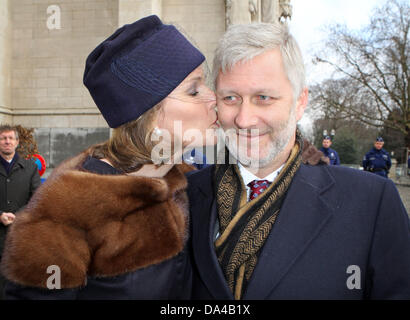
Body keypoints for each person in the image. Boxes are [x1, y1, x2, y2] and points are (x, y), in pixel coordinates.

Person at [0, 15, 219, 299]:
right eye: (194, 89)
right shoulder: (66, 210)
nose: (214, 97)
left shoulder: (191, 183)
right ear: (148, 114)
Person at [187, 22, 410, 299]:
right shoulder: (180, 197)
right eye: (231, 98)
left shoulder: (371, 203)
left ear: (300, 101)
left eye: (263, 98)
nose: (244, 119)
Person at [0, 125, 41, 299]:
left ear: (17, 142)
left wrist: (19, 216)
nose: (7, 141)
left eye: (10, 138)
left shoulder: (30, 168)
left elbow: (38, 198)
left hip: (21, 235)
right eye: (3, 138)